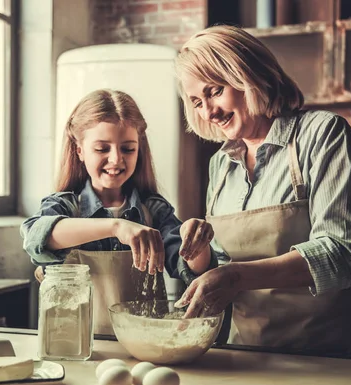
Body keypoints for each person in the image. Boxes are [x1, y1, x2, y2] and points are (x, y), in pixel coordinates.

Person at [172, 25, 351, 358]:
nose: (208, 112)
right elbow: (224, 266)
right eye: (197, 102)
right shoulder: (220, 164)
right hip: (250, 357)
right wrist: (199, 252)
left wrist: (236, 276)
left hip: (329, 357)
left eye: (214, 91)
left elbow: (342, 254)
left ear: (249, 75)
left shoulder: (322, 134)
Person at [20, 89, 216, 335]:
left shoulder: (153, 210)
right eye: (102, 149)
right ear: (79, 150)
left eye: (128, 149)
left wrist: (197, 241)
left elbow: (192, 268)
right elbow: (36, 237)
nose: (116, 160)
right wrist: (117, 227)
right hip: (75, 346)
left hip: (143, 345)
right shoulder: (65, 207)